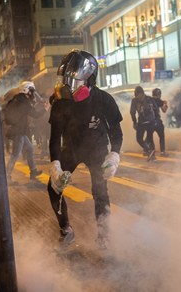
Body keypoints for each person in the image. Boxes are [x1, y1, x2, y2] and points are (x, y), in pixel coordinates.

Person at [48, 49, 123, 250]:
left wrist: (114, 155)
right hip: (70, 150)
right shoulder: (60, 104)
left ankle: (104, 234)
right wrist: (55, 165)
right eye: (65, 80)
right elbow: (54, 137)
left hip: (97, 150)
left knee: (100, 191)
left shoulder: (104, 100)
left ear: (89, 80)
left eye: (74, 82)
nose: (67, 87)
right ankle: (66, 230)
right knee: (53, 188)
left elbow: (117, 132)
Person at [4, 81, 44, 182]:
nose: (32, 93)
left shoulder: (17, 99)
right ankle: (7, 176)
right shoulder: (24, 102)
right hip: (19, 132)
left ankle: (33, 171)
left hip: (18, 130)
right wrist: (45, 109)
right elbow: (35, 115)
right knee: (15, 155)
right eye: (31, 91)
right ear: (26, 90)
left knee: (30, 149)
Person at [130, 86, 156, 161]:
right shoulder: (137, 100)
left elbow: (132, 112)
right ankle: (150, 153)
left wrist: (134, 122)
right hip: (146, 121)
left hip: (147, 121)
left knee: (145, 138)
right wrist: (134, 122)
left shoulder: (147, 99)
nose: (138, 97)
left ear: (141, 93)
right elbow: (132, 112)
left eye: (138, 95)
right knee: (144, 138)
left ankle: (151, 153)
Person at [150, 88, 169, 156]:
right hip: (157, 121)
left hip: (149, 122)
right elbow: (164, 110)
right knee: (161, 136)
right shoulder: (159, 100)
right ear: (159, 94)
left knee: (149, 137)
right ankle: (162, 152)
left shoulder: (149, 99)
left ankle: (148, 150)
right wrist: (166, 104)